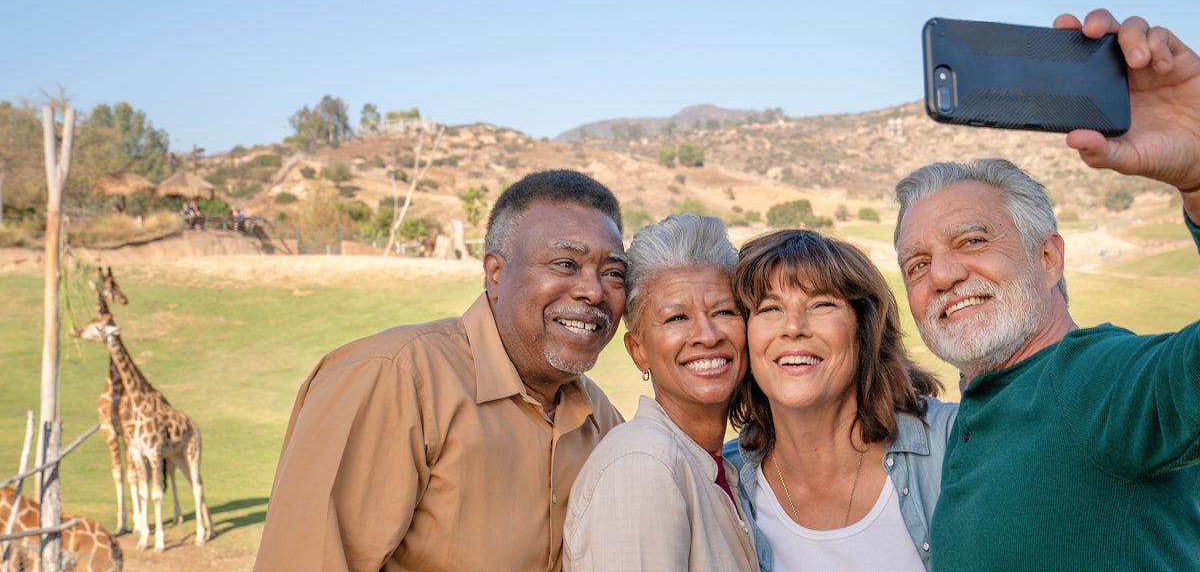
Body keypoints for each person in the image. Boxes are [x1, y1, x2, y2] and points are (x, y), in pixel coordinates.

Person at [892, 9, 1200, 571]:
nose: (940, 275)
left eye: (972, 239)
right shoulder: (975, 417)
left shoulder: (1092, 381)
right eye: (916, 264)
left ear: (1049, 257)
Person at [254, 169, 629, 571]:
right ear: (495, 273)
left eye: (613, 273)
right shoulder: (394, 378)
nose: (593, 291)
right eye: (566, 263)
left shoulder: (600, 420)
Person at [724, 229, 956, 571]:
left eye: (821, 305)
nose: (793, 327)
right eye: (770, 308)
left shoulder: (951, 445)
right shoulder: (723, 482)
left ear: (865, 331)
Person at [563, 214, 757, 571]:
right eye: (676, 318)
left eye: (724, 311)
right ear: (638, 350)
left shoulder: (717, 466)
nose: (708, 335)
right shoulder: (643, 465)